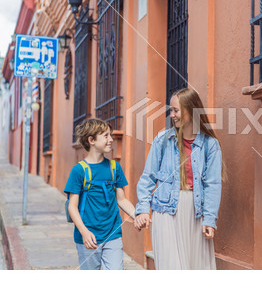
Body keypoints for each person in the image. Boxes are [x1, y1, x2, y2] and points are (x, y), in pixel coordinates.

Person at [134, 88, 224, 269]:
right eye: (171, 110)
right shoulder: (162, 140)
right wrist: (143, 209)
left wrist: (209, 219)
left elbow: (213, 185)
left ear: (191, 111)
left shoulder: (210, 145)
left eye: (175, 110)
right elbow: (148, 177)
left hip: (195, 212)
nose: (171, 114)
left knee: (196, 269)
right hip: (165, 210)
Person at [64, 118, 136, 270]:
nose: (111, 139)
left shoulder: (114, 167)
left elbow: (121, 200)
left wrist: (138, 215)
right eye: (106, 136)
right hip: (88, 237)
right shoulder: (79, 170)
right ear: (91, 140)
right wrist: (84, 232)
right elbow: (72, 207)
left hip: (113, 233)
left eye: (110, 135)